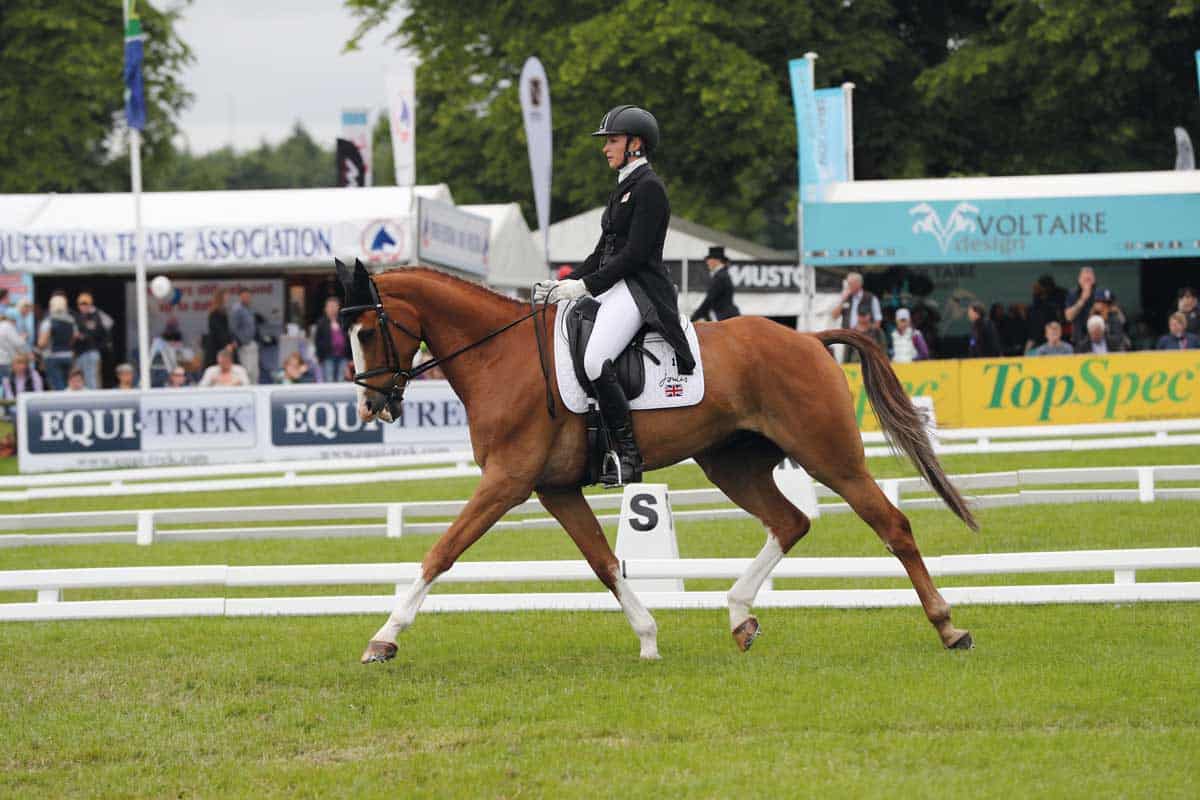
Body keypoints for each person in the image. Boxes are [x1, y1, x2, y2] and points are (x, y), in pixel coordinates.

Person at [533, 104, 693, 486]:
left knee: (594, 361)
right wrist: (565, 283)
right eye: (606, 141)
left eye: (613, 140)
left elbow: (635, 255)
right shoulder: (623, 187)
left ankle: (628, 456)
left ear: (635, 144)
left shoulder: (650, 188)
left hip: (639, 289)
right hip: (616, 285)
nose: (605, 148)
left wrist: (586, 287)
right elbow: (601, 251)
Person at [37, 293, 77, 390]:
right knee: (68, 386)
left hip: (52, 357)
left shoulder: (48, 321)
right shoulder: (71, 321)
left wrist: (39, 348)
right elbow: (74, 338)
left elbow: (42, 343)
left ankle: (62, 405)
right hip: (68, 355)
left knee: (57, 387)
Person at [73, 291, 113, 389]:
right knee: (78, 378)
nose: (83, 306)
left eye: (86, 304)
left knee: (91, 379)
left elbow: (101, 330)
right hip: (80, 353)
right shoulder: (78, 317)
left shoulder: (96, 316)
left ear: (91, 305)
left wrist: (83, 336)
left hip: (91, 352)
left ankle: (93, 402)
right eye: (81, 304)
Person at [690, 245, 740, 322]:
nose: (707, 262)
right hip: (722, 313)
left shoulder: (720, 277)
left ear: (716, 260)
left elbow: (709, 300)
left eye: (709, 259)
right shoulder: (721, 274)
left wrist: (693, 317)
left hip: (723, 315)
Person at [314, 296, 351, 383]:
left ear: (338, 308)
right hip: (328, 356)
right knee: (329, 380)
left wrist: (350, 357)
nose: (332, 309)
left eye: (334, 306)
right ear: (325, 309)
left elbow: (348, 338)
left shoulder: (343, 321)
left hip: (343, 356)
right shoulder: (321, 323)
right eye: (330, 306)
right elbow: (317, 341)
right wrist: (319, 356)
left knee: (341, 380)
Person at [229, 287, 259, 383]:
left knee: (254, 371)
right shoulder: (237, 309)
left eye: (248, 296)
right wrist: (236, 341)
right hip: (244, 344)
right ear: (240, 297)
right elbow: (233, 327)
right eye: (244, 296)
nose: (247, 298)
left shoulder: (250, 308)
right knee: (247, 370)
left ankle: (255, 389)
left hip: (252, 342)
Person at [1063, 266, 1097, 345]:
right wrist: (1082, 300)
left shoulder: (1100, 293)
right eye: (1085, 280)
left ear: (1094, 280)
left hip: (1097, 336)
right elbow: (1068, 317)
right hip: (1078, 338)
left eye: (1089, 280)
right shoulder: (1072, 294)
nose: (1087, 283)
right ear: (1079, 280)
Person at [204, 289, 234, 366]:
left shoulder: (221, 311)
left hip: (220, 345)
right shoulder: (215, 312)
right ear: (221, 297)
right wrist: (227, 344)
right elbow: (219, 330)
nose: (228, 298)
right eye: (226, 296)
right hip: (216, 346)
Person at [0, 311, 26, 383]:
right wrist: (23, 338)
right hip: (6, 361)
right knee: (7, 384)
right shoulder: (7, 326)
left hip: (2, 360)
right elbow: (18, 343)